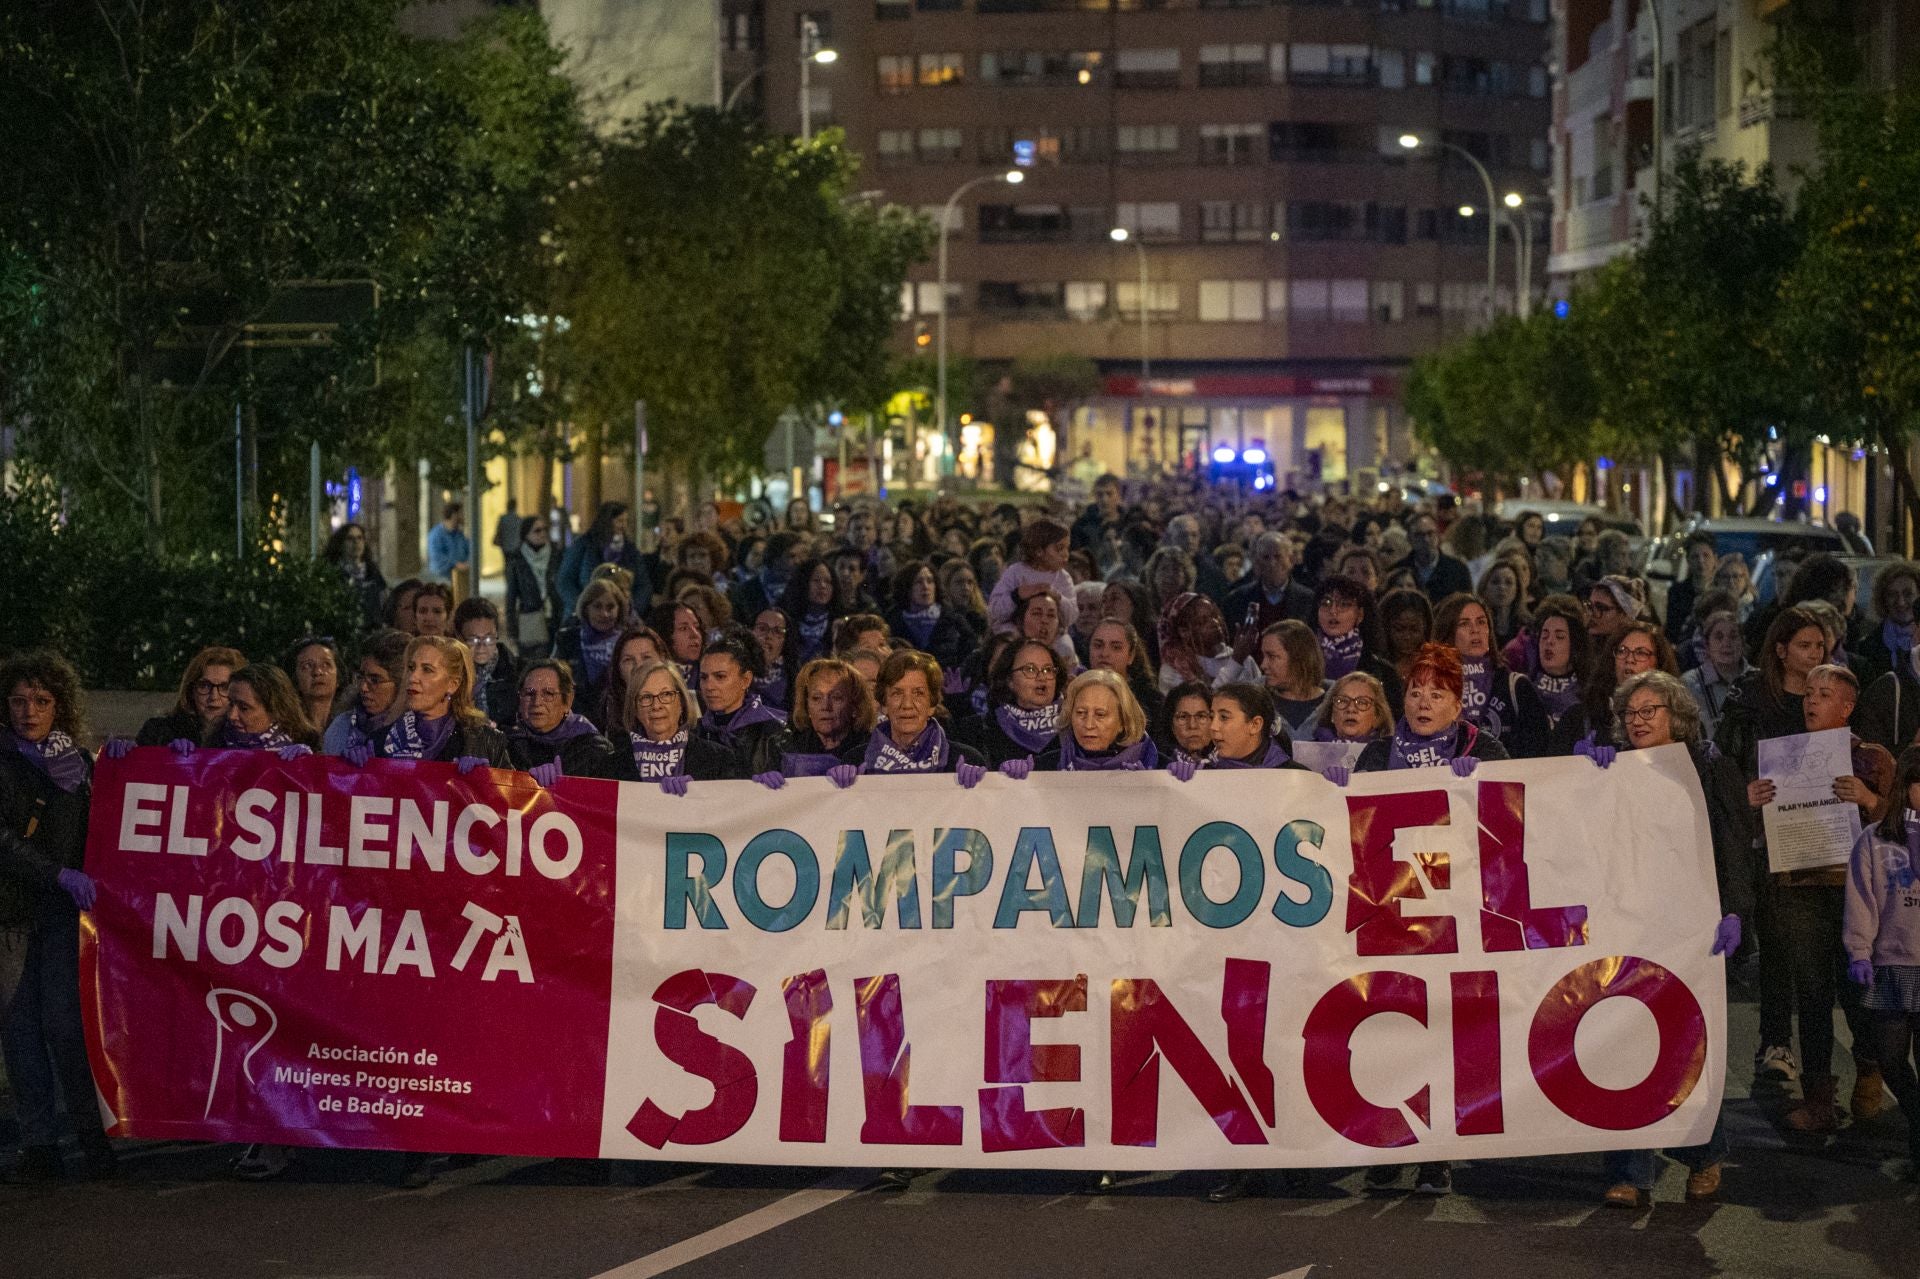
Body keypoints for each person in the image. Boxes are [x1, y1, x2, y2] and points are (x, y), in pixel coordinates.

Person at [1594, 670, 1754, 1206]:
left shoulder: (1708, 767)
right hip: (1627, 923)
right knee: (1623, 1044)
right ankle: (1632, 1173)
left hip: (1689, 928)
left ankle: (1704, 1151)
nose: (1638, 721)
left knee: (1679, 1047)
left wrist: (1736, 911)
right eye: (1630, 713)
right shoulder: (1611, 769)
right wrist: (1579, 779)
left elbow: (1732, 845)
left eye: (1650, 711)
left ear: (1676, 716)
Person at [1746, 664, 1892, 1132]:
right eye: (1808, 692)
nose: (1811, 700)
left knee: (1857, 994)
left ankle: (1869, 1072)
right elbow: (1757, 830)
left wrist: (1871, 801)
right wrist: (1754, 800)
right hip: (1802, 890)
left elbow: (1903, 830)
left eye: (1824, 694)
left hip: (1858, 894)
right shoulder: (1782, 758)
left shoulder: (1873, 759)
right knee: (1810, 996)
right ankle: (1819, 1100)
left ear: (1847, 707)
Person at [0, 652, 115, 1183]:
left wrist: (131, 765)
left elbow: (107, 823)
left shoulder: (81, 765)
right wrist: (57, 874)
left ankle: (92, 1136)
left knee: (68, 1029)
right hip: (12, 913)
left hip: (66, 915)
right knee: (20, 1031)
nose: (29, 711)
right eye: (19, 701)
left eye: (42, 701)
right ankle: (40, 1143)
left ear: (60, 706)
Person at [1718, 605, 1832, 1088]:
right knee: (1774, 941)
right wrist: (1745, 790)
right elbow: (1722, 763)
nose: (1814, 654)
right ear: (1781, 650)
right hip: (1761, 839)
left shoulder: (1828, 698)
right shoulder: (1749, 701)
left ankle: (1798, 1053)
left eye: (1821, 646)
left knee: (1801, 948)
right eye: (1804, 646)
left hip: (1811, 840)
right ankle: (1774, 1040)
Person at [1843, 747, 1920, 1173]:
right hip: (1892, 963)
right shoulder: (1874, 840)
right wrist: (1859, 950)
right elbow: (1862, 900)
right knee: (1890, 1058)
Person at [350, 636, 510, 775]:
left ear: (453, 685)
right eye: (411, 668)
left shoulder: (487, 743)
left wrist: (487, 780)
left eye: (427, 670)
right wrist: (352, 772)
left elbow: (515, 803)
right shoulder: (378, 742)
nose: (413, 677)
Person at [1352, 642, 1510, 777]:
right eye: (1415, 694)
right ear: (1405, 702)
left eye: (1436, 696)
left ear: (1456, 708)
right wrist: (1338, 787)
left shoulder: (1483, 749)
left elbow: (1507, 800)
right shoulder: (1379, 754)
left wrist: (1481, 777)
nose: (1423, 704)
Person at [835, 650, 988, 785]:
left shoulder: (966, 759)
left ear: (932, 705)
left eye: (918, 693)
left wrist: (981, 787)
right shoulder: (856, 762)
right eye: (897, 693)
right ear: (884, 705)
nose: (907, 704)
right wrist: (839, 786)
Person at [1432, 593, 1549, 758]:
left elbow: (1538, 751)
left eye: (1481, 622)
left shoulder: (1516, 686)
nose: (1475, 630)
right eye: (1464, 624)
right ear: (1448, 633)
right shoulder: (1430, 688)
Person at [608, 661, 740, 786]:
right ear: (635, 709)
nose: (656, 705)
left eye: (666, 694)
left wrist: (698, 794)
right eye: (646, 697)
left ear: (681, 702)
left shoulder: (720, 760)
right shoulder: (611, 768)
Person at [955, 640, 1068, 765]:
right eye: (1030, 669)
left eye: (1048, 670)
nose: (1042, 677)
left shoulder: (1072, 729)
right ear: (1009, 680)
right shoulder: (974, 730)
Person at [506, 660, 618, 782]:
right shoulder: (505, 745)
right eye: (529, 693)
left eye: (548, 693)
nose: (536, 702)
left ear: (568, 701)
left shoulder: (595, 751)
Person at [693, 632, 787, 772]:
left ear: (745, 680)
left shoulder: (775, 734)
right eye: (704, 677)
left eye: (720, 676)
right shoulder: (694, 733)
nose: (709, 686)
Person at [767, 659, 876, 777]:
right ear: (806, 705)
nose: (825, 707)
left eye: (836, 697)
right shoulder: (785, 748)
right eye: (816, 698)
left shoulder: (873, 750)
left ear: (855, 706)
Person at [986, 519, 1077, 660]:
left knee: (1065, 648)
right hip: (1016, 630)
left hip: (1052, 635)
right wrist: (1017, 595)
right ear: (1039, 551)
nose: (1065, 554)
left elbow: (1071, 616)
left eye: (1067, 548)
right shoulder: (1015, 572)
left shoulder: (1063, 578)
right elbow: (995, 610)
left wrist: (1057, 597)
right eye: (1059, 548)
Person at [1037, 670, 1157, 771]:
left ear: (1122, 721)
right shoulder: (1045, 766)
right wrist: (1019, 777)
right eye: (1080, 713)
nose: (1089, 725)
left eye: (1100, 714)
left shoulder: (1160, 768)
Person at [322, 630, 410, 757]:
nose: (363, 687)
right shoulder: (342, 726)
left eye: (375, 680)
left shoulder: (419, 731)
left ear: (402, 683)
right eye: (361, 676)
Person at [135, 646, 246, 747]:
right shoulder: (158, 732)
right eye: (204, 686)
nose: (214, 696)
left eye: (224, 687)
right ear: (191, 690)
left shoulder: (251, 735)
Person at [1507, 597, 1589, 733]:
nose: (1549, 641)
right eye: (1544, 636)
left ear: (1576, 645)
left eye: (1560, 637)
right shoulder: (1521, 688)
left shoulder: (1590, 693)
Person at [1225, 533, 1315, 656]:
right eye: (1266, 557)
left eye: (1278, 557)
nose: (1272, 563)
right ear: (1256, 563)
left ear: (1291, 560)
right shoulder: (1237, 600)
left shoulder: (1308, 600)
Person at [555, 579, 629, 727]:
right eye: (597, 606)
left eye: (611, 607)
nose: (605, 614)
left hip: (619, 723)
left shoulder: (628, 642)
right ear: (585, 608)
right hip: (575, 723)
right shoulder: (568, 639)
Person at [558, 501, 650, 620]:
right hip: (583, 619)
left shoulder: (630, 551)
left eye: (626, 521)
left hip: (622, 619)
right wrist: (583, 606)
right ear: (606, 522)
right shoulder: (584, 546)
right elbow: (565, 580)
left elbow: (643, 584)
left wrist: (631, 608)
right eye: (619, 521)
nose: (623, 526)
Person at [888, 561, 976, 672]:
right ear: (907, 587)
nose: (925, 586)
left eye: (930, 581)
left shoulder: (954, 621)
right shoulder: (893, 622)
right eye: (918, 582)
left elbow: (969, 655)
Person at [1682, 611, 1754, 743]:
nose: (1727, 643)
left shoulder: (1758, 679)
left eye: (1733, 637)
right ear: (1707, 645)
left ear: (1742, 642)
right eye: (1718, 637)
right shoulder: (1689, 684)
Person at [1157, 592, 1249, 692]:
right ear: (1184, 632)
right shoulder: (1174, 670)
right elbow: (1207, 703)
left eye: (1215, 616)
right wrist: (1236, 662)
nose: (1215, 623)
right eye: (1203, 621)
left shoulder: (1239, 656)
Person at [1256, 620, 1330, 737]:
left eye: (1272, 656)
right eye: (1264, 656)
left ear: (1299, 657)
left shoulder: (1337, 701)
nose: (1263, 665)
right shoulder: (1253, 700)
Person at [454, 599, 518, 731]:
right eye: (473, 639)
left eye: (489, 638)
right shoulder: (451, 674)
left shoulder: (517, 672)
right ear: (459, 638)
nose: (481, 646)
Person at [1087, 619, 1163, 727]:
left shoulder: (1152, 703)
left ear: (1131, 656)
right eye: (1098, 646)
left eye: (1116, 647)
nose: (1104, 654)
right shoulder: (1074, 693)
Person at [504, 513, 561, 658]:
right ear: (526, 534)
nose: (542, 534)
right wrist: (512, 631)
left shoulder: (557, 555)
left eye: (544, 529)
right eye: (537, 530)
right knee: (532, 663)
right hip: (530, 619)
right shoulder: (516, 560)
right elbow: (511, 597)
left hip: (555, 617)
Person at [1857, 561, 1920, 684]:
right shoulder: (1867, 648)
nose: (1901, 602)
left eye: (1908, 594)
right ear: (1883, 599)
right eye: (1892, 595)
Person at [780, 558, 843, 672]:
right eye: (816, 580)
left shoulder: (839, 622)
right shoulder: (785, 620)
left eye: (828, 581)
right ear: (803, 583)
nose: (823, 586)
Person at [1394, 512, 1472, 602]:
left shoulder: (1458, 570)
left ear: (1438, 535)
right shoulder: (1398, 571)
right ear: (1409, 538)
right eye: (1419, 535)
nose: (1426, 539)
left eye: (1430, 533)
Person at [324, 522, 388, 631]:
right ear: (341, 544)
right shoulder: (333, 574)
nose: (356, 542)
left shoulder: (372, 573)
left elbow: (384, 601)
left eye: (360, 538)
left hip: (372, 633)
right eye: (350, 539)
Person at [1663, 532, 1719, 645]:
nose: (1701, 561)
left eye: (1706, 555)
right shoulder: (1677, 592)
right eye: (1695, 556)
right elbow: (1673, 630)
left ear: (1715, 559)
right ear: (1688, 560)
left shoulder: (1721, 592)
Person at [285, 636, 341, 737]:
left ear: (338, 677)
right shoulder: (283, 730)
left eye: (326, 664)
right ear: (295, 679)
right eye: (307, 666)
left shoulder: (352, 727)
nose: (317, 672)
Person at [1378, 589, 1433, 683]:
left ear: (1426, 628)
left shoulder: (1436, 666)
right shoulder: (1375, 667)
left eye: (1414, 630)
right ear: (1385, 627)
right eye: (1399, 629)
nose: (1407, 636)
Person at [1158, 681, 1215, 769]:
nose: (1192, 725)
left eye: (1201, 716)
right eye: (1183, 717)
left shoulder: (1232, 765)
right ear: (1171, 726)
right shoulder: (1157, 766)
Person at [1476, 558, 1531, 650]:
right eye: (1495, 582)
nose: (1502, 587)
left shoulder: (1528, 626)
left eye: (1509, 582)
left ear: (1518, 589)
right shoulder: (1475, 625)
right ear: (1484, 588)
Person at [749, 609, 793, 710]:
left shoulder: (793, 675)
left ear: (785, 639)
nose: (768, 636)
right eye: (762, 629)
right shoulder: (734, 670)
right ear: (751, 632)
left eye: (777, 631)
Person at [426, 501, 470, 584]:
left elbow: (468, 550)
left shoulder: (460, 534)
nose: (463, 516)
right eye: (461, 513)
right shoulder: (436, 534)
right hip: (442, 578)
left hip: (460, 577)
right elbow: (437, 556)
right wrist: (456, 564)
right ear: (454, 515)